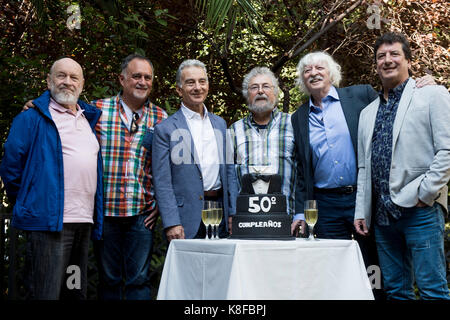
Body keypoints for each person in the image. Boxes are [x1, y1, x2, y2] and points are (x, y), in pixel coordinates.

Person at [354, 32, 450, 300]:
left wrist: (426, 193)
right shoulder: (367, 113)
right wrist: (362, 211)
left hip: (420, 212)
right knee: (396, 292)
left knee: (433, 290)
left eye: (394, 54)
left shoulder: (432, 94)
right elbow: (364, 168)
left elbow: (447, 150)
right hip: (383, 218)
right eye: (381, 56)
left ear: (408, 60)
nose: (387, 60)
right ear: (375, 65)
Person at [0, 57, 103, 300]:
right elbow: (11, 166)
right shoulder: (31, 118)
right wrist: (31, 201)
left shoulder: (89, 119)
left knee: (73, 290)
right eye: (61, 75)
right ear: (48, 81)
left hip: (83, 224)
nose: (67, 82)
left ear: (82, 84)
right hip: (48, 225)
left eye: (74, 77)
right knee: (45, 293)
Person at [92, 54, 167, 300]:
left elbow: (165, 168)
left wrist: (159, 204)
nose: (142, 82)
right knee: (109, 280)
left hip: (141, 213)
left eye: (147, 77)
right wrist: (35, 104)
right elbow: (61, 112)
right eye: (136, 76)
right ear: (122, 79)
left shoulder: (160, 118)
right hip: (105, 212)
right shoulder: (96, 111)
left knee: (139, 281)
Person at [152, 59, 237, 241]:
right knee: (187, 269)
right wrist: (171, 222)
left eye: (202, 81)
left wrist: (234, 212)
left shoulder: (220, 124)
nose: (197, 87)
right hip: (185, 219)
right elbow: (162, 181)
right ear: (179, 89)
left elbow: (229, 171)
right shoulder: (165, 129)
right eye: (190, 82)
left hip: (220, 213)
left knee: (221, 268)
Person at [228, 66, 304, 232]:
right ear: (247, 95)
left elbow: (304, 173)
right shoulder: (234, 130)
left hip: (288, 221)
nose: (260, 91)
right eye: (254, 87)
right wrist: (232, 214)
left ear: (275, 93)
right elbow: (230, 178)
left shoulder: (294, 124)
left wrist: (301, 214)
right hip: (246, 222)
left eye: (266, 86)